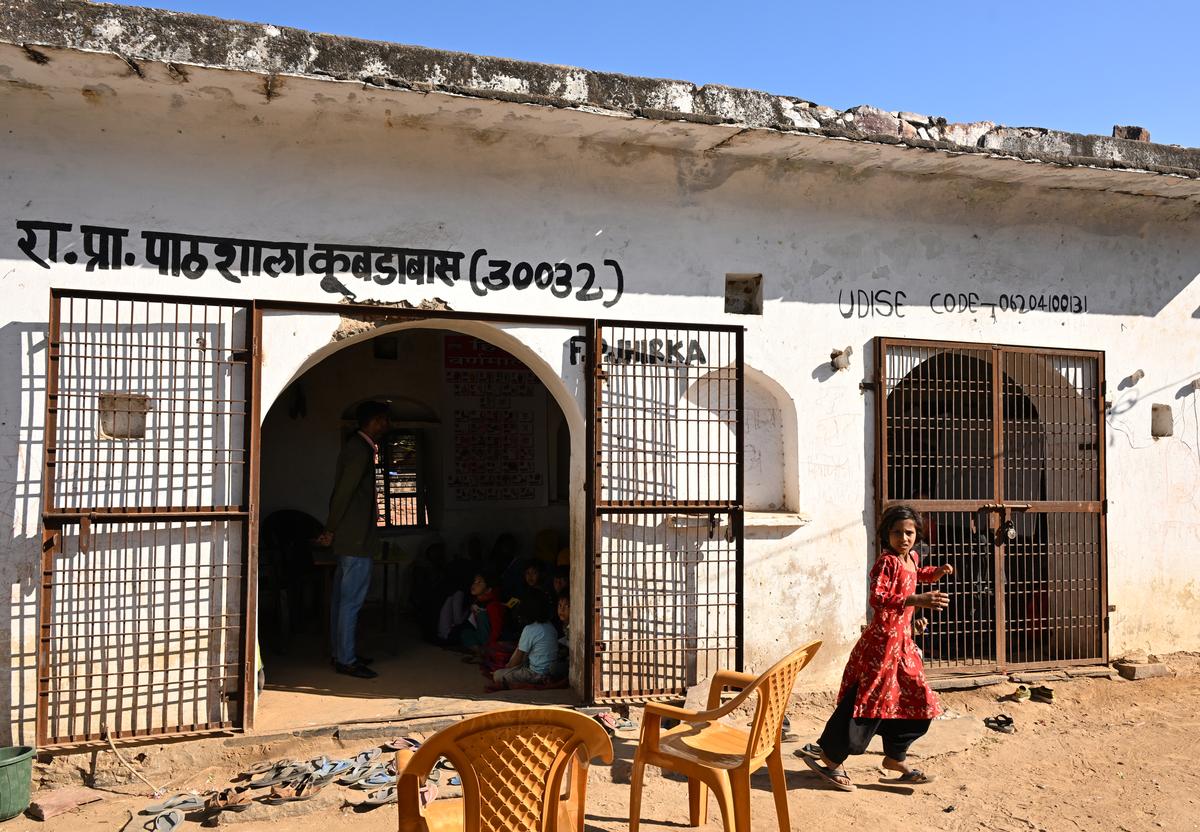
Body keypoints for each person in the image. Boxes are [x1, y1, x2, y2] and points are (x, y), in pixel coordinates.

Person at [799, 504, 953, 789]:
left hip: (902, 644)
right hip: (881, 645)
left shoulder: (912, 558)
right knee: (868, 699)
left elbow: (918, 574)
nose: (903, 538)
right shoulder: (887, 561)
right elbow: (879, 598)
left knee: (916, 697)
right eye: (897, 533)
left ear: (917, 535)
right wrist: (917, 601)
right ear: (886, 534)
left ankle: (895, 756)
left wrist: (937, 573)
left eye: (909, 533)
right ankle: (831, 759)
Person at [317, 400, 390, 679]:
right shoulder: (359, 451)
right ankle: (346, 659)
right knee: (351, 603)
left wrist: (333, 529)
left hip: (350, 538)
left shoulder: (355, 448)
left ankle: (341, 654)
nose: (387, 425)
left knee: (341, 600)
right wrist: (331, 528)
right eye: (384, 419)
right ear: (372, 421)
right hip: (356, 539)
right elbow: (344, 494)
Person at [492, 592, 564, 688]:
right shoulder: (550, 626)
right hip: (550, 672)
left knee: (498, 675)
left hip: (537, 674)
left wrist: (507, 668)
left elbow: (518, 658)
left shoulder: (530, 629)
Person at [459, 571, 507, 657]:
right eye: (474, 582)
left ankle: (486, 651)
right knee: (465, 633)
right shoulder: (478, 602)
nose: (474, 585)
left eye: (479, 582)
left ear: (488, 589)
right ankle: (481, 651)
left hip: (492, 639)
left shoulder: (493, 605)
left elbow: (497, 630)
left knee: (481, 615)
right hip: (482, 635)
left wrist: (490, 644)